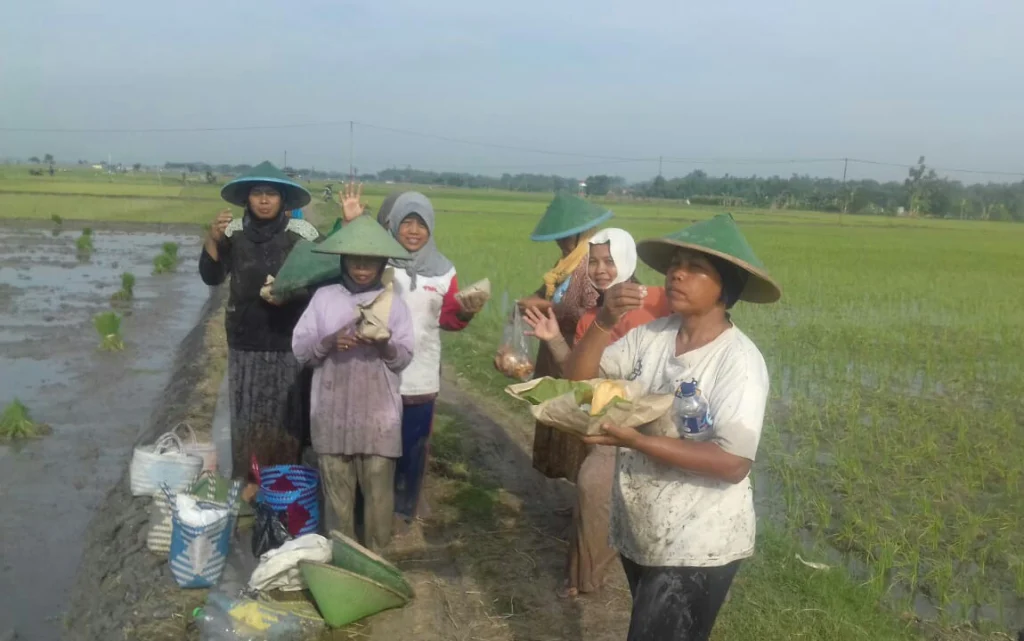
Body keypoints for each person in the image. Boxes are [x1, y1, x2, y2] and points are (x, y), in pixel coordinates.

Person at [563, 213, 782, 641]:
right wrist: (604, 322)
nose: (676, 274)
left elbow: (733, 461)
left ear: (727, 288)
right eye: (675, 264)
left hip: (699, 541)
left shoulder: (738, 362)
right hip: (644, 527)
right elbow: (578, 383)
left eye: (695, 268)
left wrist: (634, 440)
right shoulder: (652, 337)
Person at [522, 228, 670, 598]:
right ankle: (584, 578)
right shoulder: (593, 317)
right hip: (607, 425)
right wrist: (553, 339)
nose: (601, 270)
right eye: (594, 262)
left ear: (629, 259)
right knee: (593, 487)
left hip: (655, 424)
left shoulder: (660, 303)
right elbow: (581, 379)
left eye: (610, 260)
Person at [291, 215, 415, 551]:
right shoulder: (325, 298)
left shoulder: (394, 303)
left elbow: (403, 357)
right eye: (355, 260)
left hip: (378, 417)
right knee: (337, 500)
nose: (362, 267)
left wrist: (383, 343)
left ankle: (376, 561)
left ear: (381, 264)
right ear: (344, 261)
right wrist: (329, 342)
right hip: (332, 413)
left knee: (378, 498)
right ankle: (342, 561)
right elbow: (301, 350)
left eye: (370, 261)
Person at [199, 161, 321, 477]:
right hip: (245, 338)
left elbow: (321, 281)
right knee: (247, 413)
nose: (264, 200)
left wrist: (289, 292)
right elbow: (211, 276)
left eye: (271, 194)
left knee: (286, 415)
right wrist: (211, 239)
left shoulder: (301, 234)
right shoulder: (233, 232)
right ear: (247, 199)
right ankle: (249, 480)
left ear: (283, 200)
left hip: (288, 340)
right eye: (257, 194)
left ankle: (284, 481)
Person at [371, 191, 487, 524]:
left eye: (420, 225)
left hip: (421, 374)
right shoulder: (380, 262)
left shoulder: (444, 270)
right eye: (406, 222)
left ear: (430, 229)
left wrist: (466, 313)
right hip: (379, 373)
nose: (413, 231)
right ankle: (376, 503)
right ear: (393, 226)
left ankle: (404, 509)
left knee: (414, 447)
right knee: (378, 445)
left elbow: (449, 319)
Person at [516, 193, 613, 483]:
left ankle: (582, 499)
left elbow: (588, 310)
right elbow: (544, 294)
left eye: (568, 236)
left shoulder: (591, 266)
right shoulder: (566, 265)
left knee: (580, 424)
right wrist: (529, 301)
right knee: (559, 419)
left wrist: (545, 307)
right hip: (555, 350)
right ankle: (571, 495)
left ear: (584, 233)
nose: (562, 242)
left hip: (578, 353)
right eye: (560, 238)